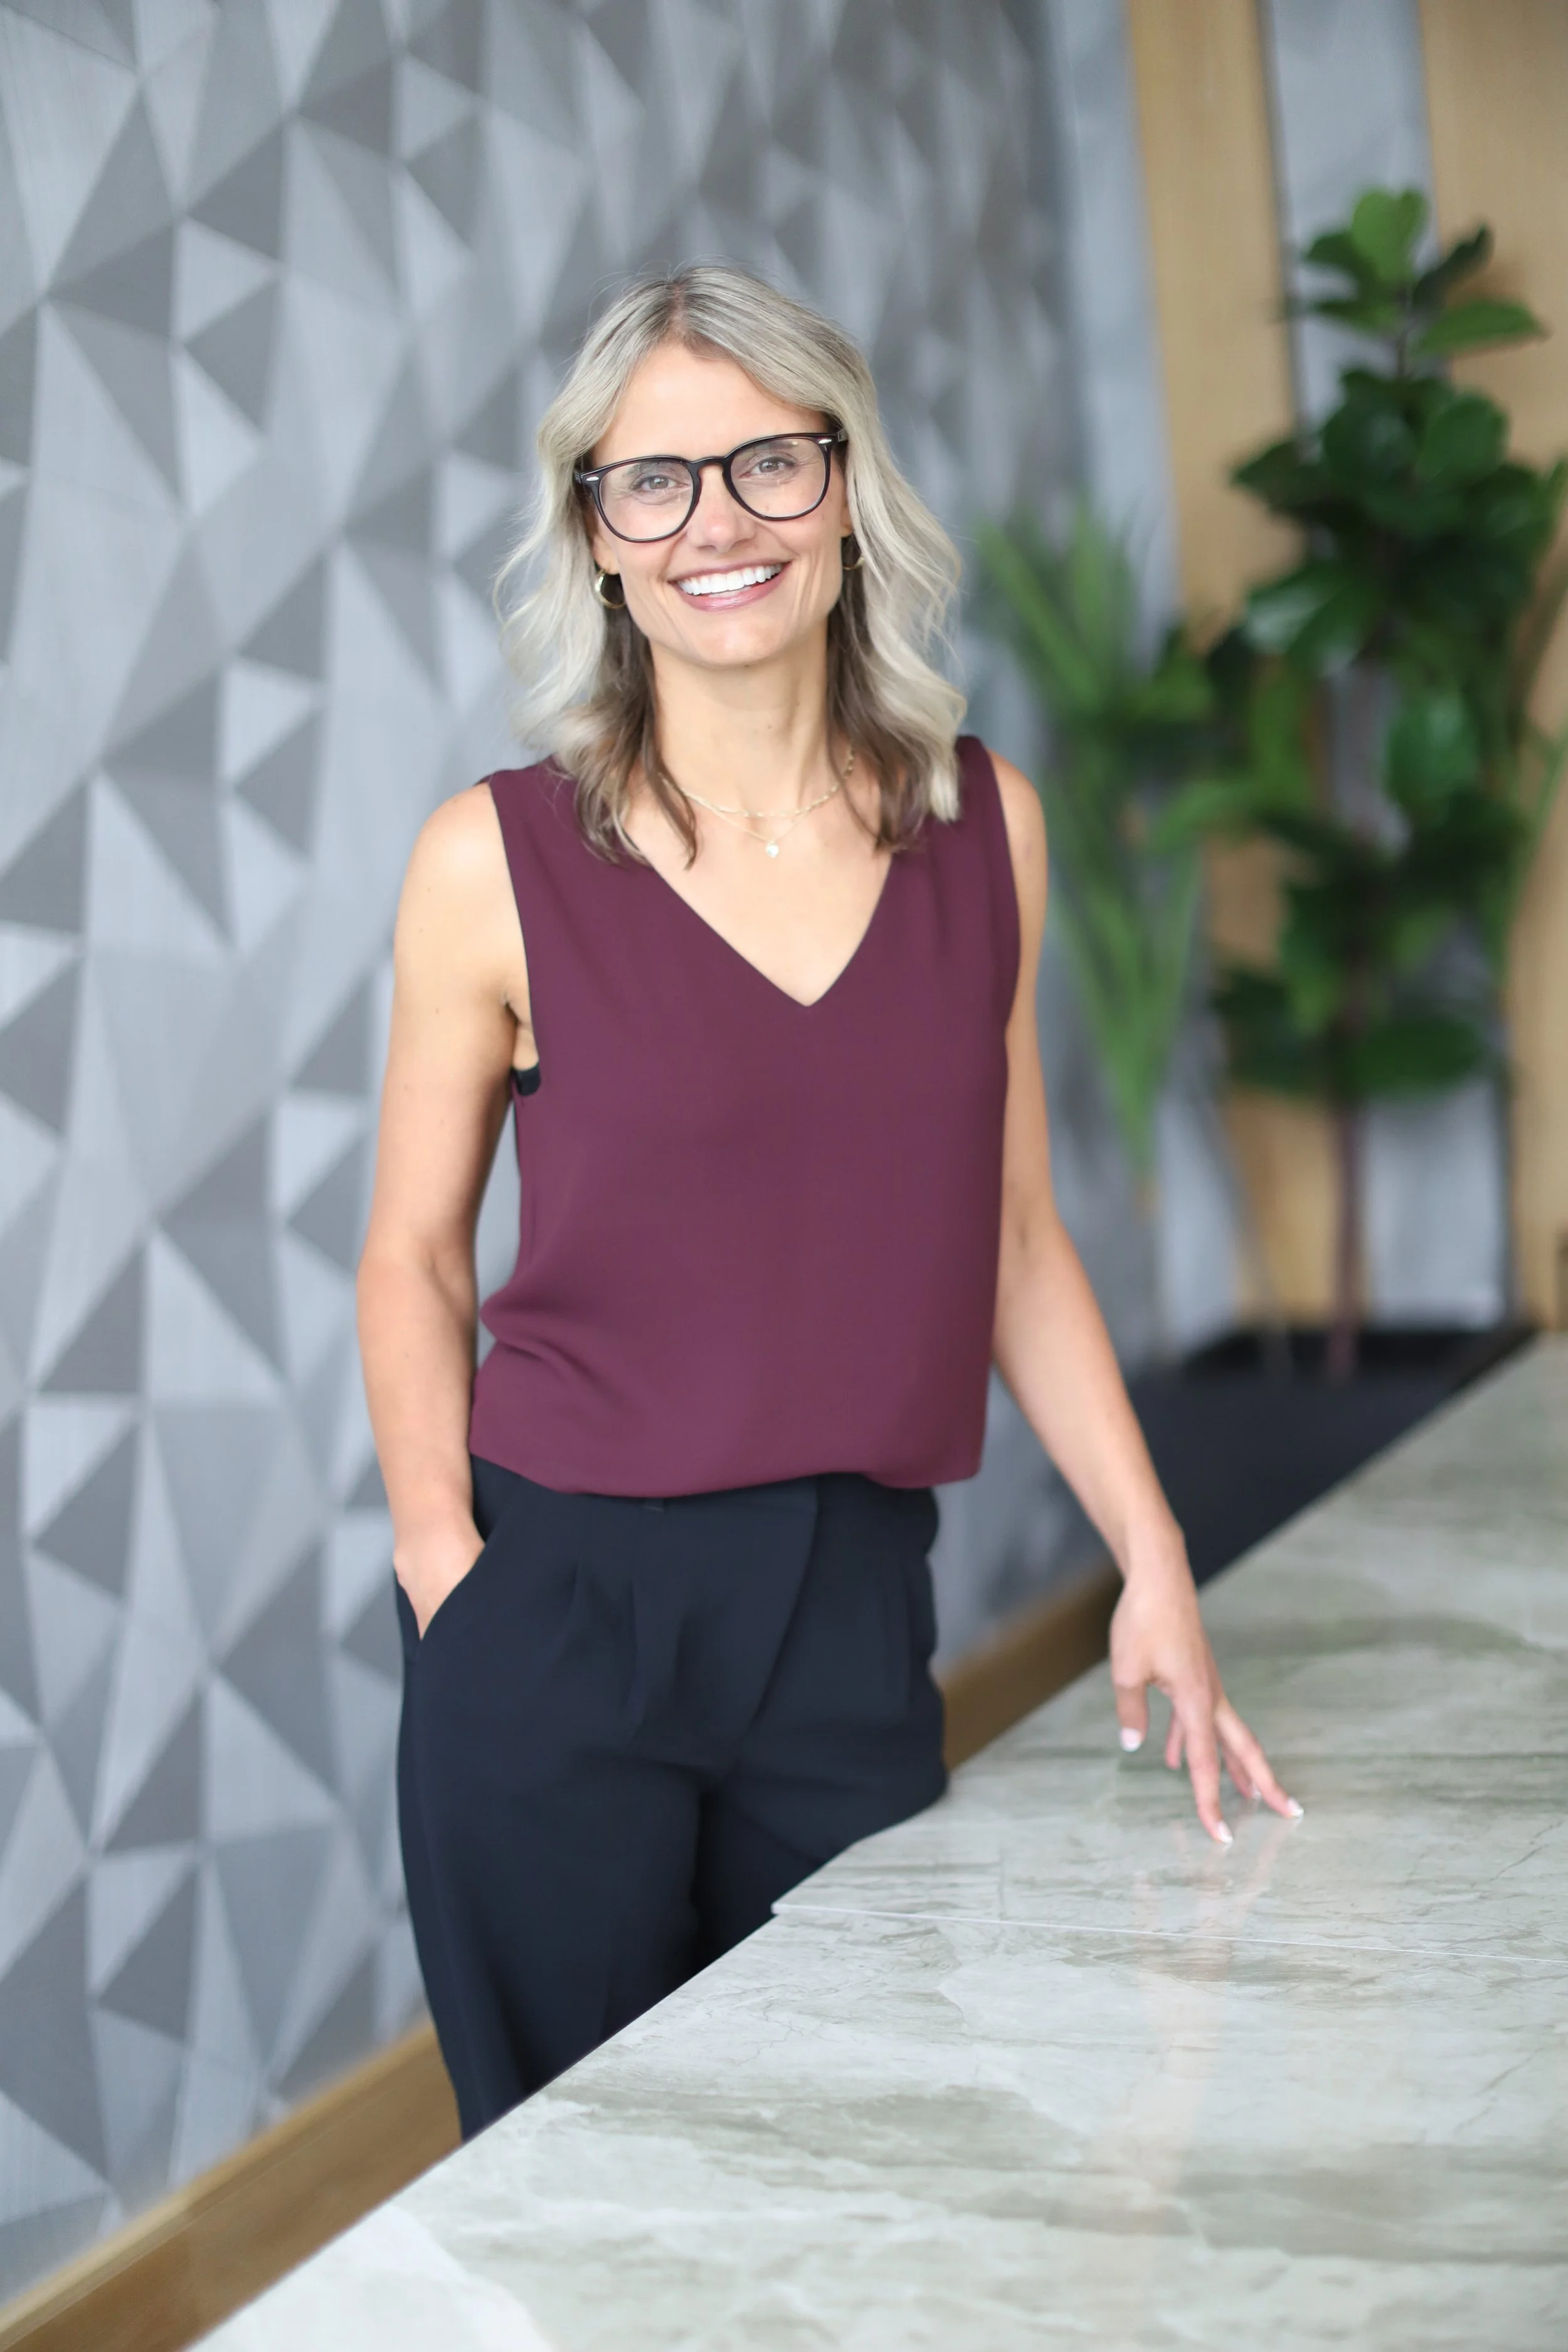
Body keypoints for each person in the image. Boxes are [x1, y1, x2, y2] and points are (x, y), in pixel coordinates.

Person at [356, 265, 1299, 2140]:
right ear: (596, 538)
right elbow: (412, 1250)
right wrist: (446, 1575)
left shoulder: (981, 828)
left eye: (765, 465)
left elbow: (1015, 1241)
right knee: (585, 2191)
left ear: (845, 490)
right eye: (654, 483)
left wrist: (1155, 1557)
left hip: (851, 1605)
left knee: (864, 2146)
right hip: (561, 1614)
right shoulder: (495, 861)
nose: (717, 523)